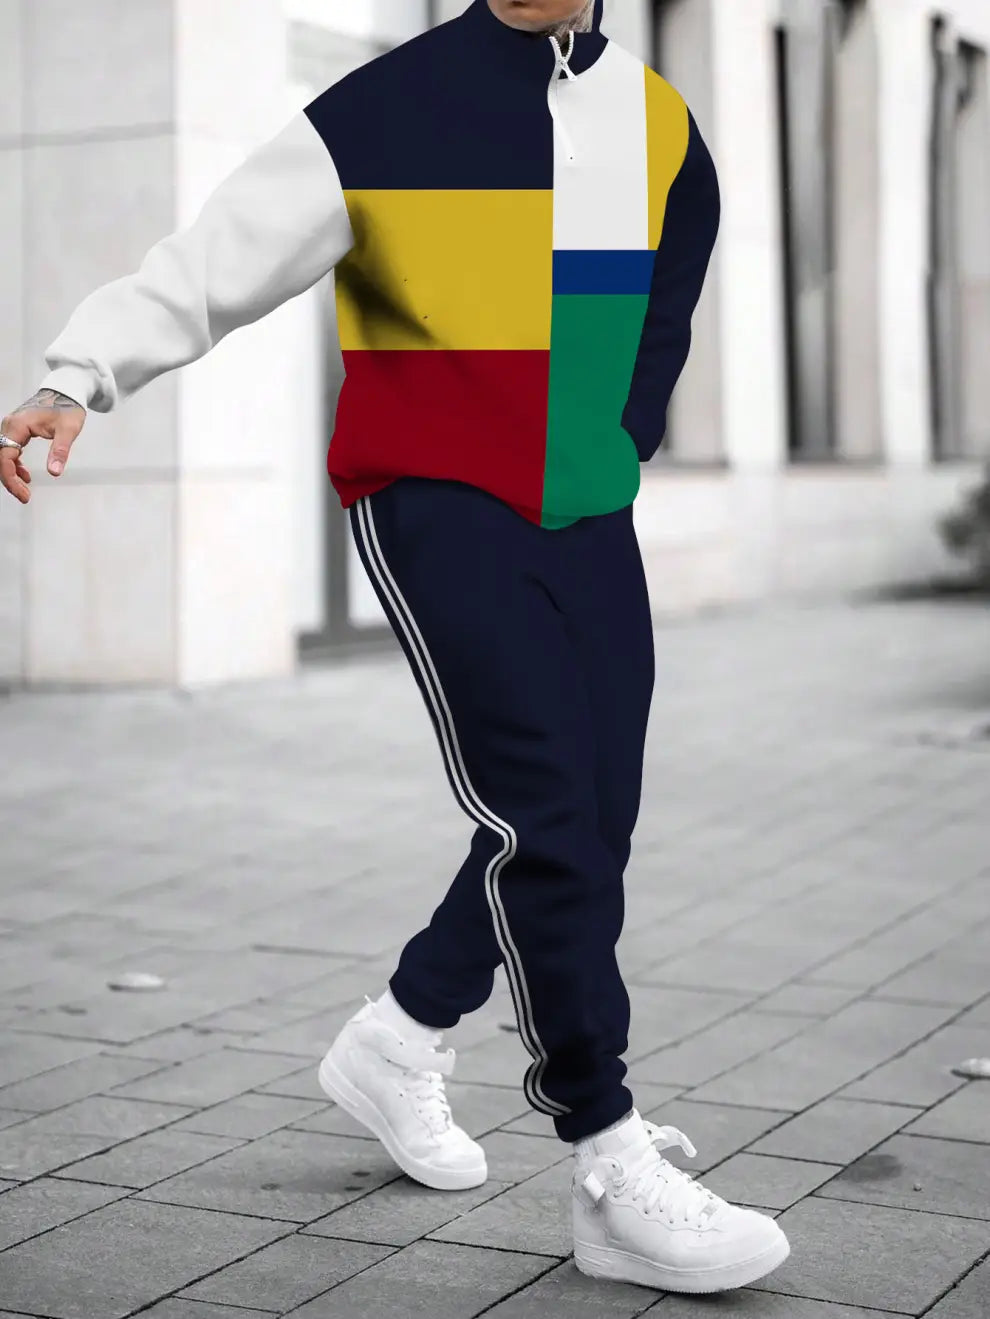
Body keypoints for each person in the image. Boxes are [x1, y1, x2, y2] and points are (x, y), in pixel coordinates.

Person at [0, 0, 790, 1294]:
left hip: (587, 507)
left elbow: (670, 300)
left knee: (592, 810)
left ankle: (403, 1033)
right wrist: (75, 375)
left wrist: (623, 433)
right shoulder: (386, 108)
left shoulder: (659, 124)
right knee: (547, 812)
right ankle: (603, 1155)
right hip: (435, 498)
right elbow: (213, 258)